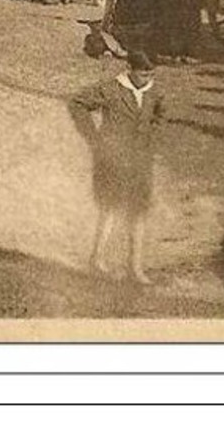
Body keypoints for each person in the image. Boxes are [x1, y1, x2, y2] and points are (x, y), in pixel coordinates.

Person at [69, 51, 165, 284]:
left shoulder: (154, 91)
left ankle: (135, 267)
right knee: (110, 208)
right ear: (129, 69)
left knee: (138, 211)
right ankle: (97, 258)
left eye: (151, 74)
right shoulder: (110, 89)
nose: (147, 78)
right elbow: (77, 104)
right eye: (143, 73)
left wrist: (153, 137)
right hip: (112, 159)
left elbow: (160, 115)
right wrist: (94, 138)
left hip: (140, 160)